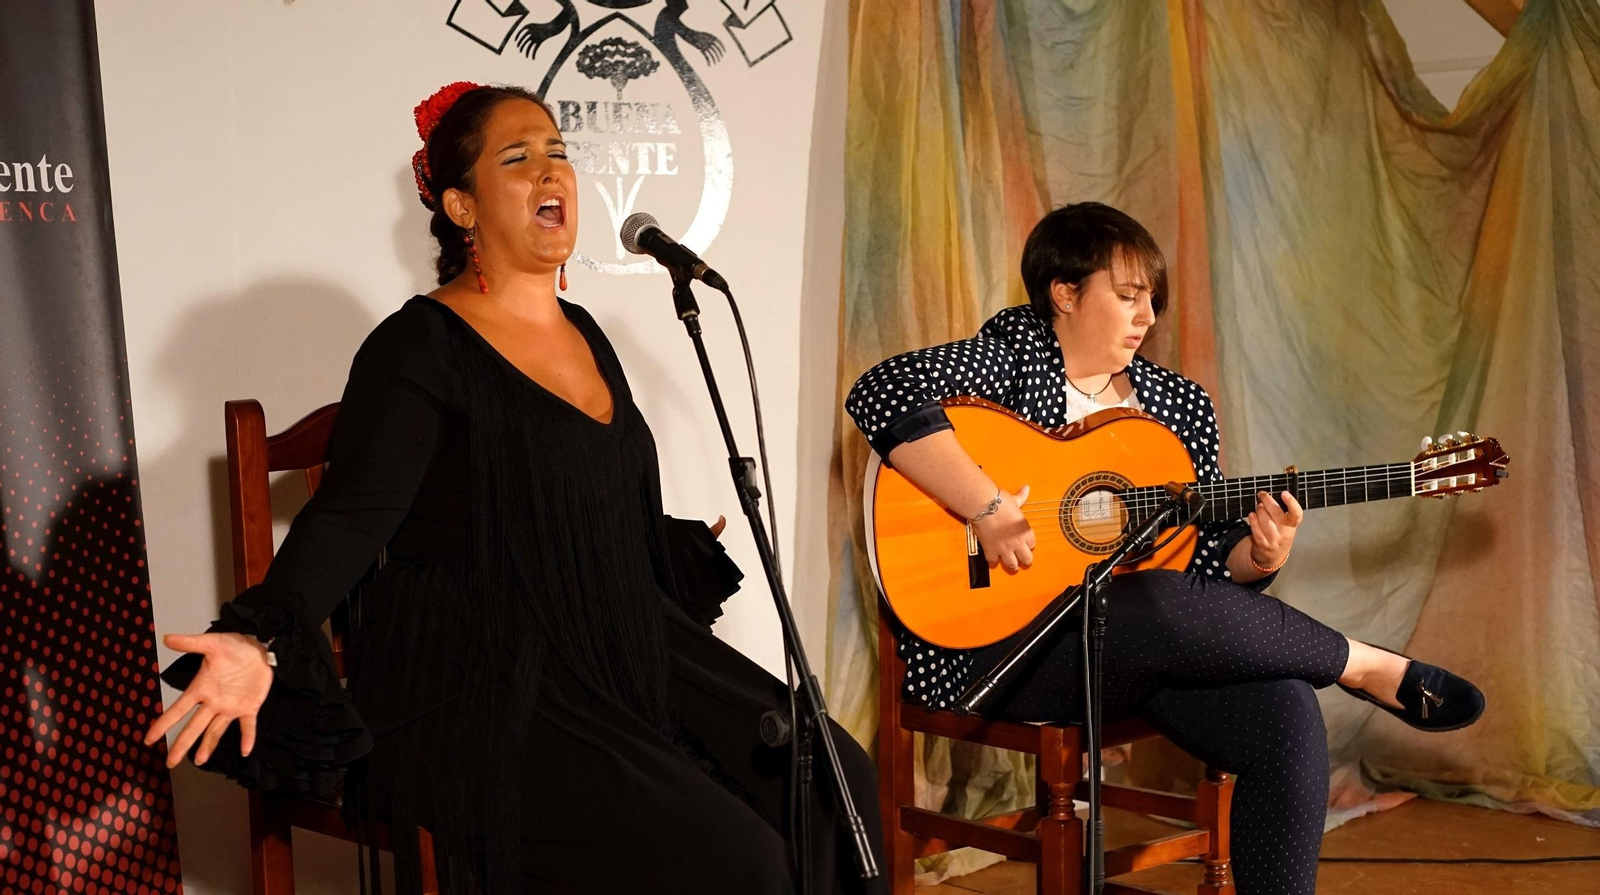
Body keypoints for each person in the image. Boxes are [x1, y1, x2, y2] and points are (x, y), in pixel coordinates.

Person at [145, 82, 884, 895]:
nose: (551, 174)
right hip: (492, 678)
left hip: (619, 639)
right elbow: (352, 518)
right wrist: (263, 638)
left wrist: (665, 544)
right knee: (742, 862)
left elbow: (568, 494)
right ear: (461, 207)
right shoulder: (415, 347)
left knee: (837, 778)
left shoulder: (590, 336)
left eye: (559, 154)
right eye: (519, 159)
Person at [845, 202, 1484, 895]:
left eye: (1152, 297)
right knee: (1152, 598)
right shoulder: (1012, 355)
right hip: (1005, 651)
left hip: (1134, 654)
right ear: (1064, 293)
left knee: (1286, 705)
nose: (1147, 314)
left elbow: (1204, 569)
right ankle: (1363, 664)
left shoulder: (1178, 407)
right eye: (1127, 296)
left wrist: (1260, 556)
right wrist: (988, 504)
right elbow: (880, 390)